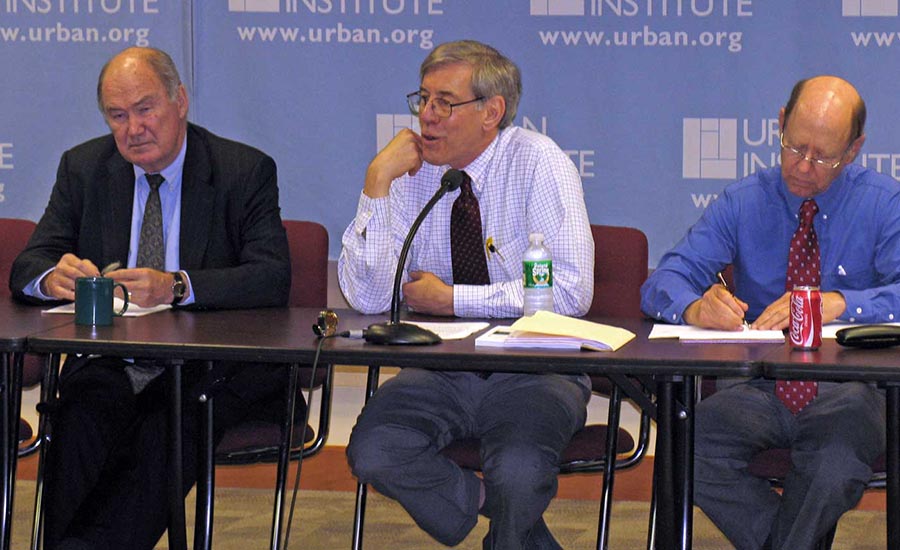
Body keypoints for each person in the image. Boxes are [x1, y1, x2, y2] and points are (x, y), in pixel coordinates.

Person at [10, 47, 294, 549]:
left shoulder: (242, 170)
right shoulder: (84, 168)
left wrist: (177, 285)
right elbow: (29, 264)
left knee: (167, 426)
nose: (132, 128)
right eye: (117, 116)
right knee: (77, 414)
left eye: (145, 109)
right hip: (113, 359)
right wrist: (53, 275)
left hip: (210, 368)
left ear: (180, 101)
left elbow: (271, 277)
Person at [338, 40, 595, 548]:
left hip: (536, 371)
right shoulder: (411, 173)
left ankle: (512, 514)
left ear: (491, 112)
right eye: (423, 99)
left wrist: (456, 300)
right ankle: (498, 512)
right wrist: (376, 183)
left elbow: (569, 291)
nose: (427, 116)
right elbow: (367, 296)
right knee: (373, 450)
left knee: (519, 471)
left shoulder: (537, 163)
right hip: (441, 369)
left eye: (444, 103)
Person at [641, 75, 898, 549]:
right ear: (779, 125)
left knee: (834, 463)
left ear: (855, 150)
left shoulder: (884, 205)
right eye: (794, 146)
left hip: (852, 389)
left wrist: (843, 303)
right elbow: (663, 282)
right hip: (763, 385)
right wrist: (696, 307)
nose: (803, 166)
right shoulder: (743, 201)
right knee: (685, 451)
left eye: (823, 156)